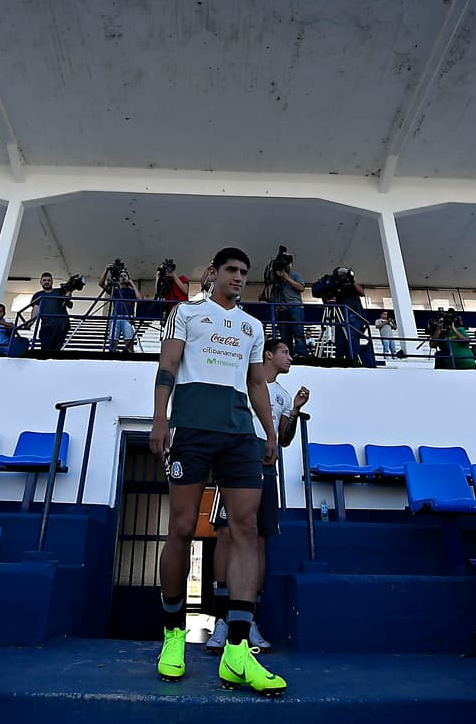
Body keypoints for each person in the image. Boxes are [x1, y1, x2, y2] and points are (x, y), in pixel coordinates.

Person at [149, 247, 285, 696]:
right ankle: (174, 636)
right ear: (213, 273)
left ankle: (237, 651)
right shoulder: (186, 314)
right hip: (191, 430)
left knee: (245, 528)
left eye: (245, 272)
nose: (239, 277)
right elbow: (167, 366)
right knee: (182, 529)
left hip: (239, 436)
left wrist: (267, 430)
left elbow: (255, 382)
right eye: (232, 270)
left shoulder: (251, 326)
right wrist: (160, 418)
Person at [206, 339, 309, 655]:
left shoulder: (280, 395)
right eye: (285, 352)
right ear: (269, 354)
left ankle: (246, 618)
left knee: (259, 540)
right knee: (226, 536)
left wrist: (293, 409)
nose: (290, 357)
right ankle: (222, 620)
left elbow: (285, 439)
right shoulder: (243, 381)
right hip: (237, 466)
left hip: (266, 471)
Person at [311, 267, 367, 364]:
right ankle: (340, 360)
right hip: (339, 316)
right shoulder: (332, 285)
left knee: (352, 339)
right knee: (340, 341)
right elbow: (317, 292)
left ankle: (354, 360)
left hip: (352, 314)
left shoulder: (351, 284)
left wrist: (352, 281)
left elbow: (362, 293)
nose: (342, 277)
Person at [267, 250, 308, 359]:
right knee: (285, 335)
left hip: (295, 307)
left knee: (298, 332)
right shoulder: (276, 278)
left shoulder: (295, 275)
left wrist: (286, 277)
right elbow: (268, 282)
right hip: (281, 309)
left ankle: (302, 354)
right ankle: (288, 354)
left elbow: (301, 288)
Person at [29, 272, 76, 353]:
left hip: (61, 324)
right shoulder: (38, 295)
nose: (46, 282)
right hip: (46, 325)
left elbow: (68, 302)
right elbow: (35, 310)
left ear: (52, 282)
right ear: (40, 282)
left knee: (56, 349)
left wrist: (69, 292)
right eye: (44, 280)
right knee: (45, 348)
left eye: (49, 280)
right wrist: (30, 323)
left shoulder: (59, 291)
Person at [108, 269, 143, 352]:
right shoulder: (115, 290)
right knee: (113, 341)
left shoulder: (131, 291)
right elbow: (101, 284)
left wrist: (132, 284)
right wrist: (107, 270)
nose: (123, 277)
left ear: (128, 278)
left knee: (129, 342)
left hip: (128, 317)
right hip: (116, 317)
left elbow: (140, 299)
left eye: (125, 276)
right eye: (121, 276)